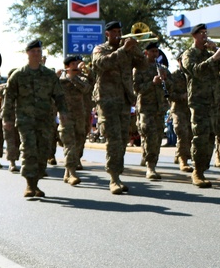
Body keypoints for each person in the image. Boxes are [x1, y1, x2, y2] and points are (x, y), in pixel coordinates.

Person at [2, 40, 68, 197]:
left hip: (45, 120)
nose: (36, 54)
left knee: (43, 151)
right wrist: (7, 119)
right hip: (25, 120)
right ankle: (29, 184)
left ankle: (36, 182)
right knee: (29, 149)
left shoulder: (49, 75)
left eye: (39, 51)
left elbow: (59, 96)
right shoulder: (18, 75)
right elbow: (9, 99)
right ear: (27, 53)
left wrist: (63, 112)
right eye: (33, 51)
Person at [91, 20, 146, 194]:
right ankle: (113, 178)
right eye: (114, 31)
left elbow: (143, 65)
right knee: (113, 138)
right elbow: (103, 64)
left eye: (119, 31)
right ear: (107, 34)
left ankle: (118, 175)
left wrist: (135, 48)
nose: (117, 34)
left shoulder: (128, 50)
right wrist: (123, 50)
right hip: (106, 100)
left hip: (123, 99)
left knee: (122, 139)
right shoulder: (100, 49)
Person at [180, 24, 220, 188]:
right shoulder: (189, 54)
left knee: (210, 137)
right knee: (199, 137)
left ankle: (203, 169)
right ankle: (197, 171)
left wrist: (219, 51)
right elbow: (195, 71)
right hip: (198, 101)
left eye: (206, 33)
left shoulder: (211, 52)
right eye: (201, 33)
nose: (205, 36)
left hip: (213, 102)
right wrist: (214, 57)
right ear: (194, 36)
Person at [132, 42, 169, 180]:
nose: (155, 54)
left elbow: (170, 86)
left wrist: (165, 79)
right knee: (149, 135)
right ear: (146, 52)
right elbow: (137, 89)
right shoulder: (139, 69)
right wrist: (152, 83)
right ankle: (150, 167)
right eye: (152, 51)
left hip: (160, 109)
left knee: (157, 137)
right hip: (146, 108)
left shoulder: (161, 68)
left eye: (157, 51)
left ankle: (148, 158)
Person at [57, 54, 91, 185]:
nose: (76, 67)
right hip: (66, 117)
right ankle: (72, 173)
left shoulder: (82, 79)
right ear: (67, 66)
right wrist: (61, 77)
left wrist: (74, 78)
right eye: (73, 65)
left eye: (77, 64)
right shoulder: (60, 80)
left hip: (80, 116)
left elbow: (86, 89)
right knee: (69, 143)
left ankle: (68, 170)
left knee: (79, 142)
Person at [166, 64, 193, 172]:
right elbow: (168, 93)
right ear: (179, 61)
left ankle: (179, 154)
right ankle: (183, 160)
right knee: (182, 133)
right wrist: (180, 96)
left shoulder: (193, 74)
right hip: (178, 109)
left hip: (191, 109)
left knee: (190, 134)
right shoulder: (174, 75)